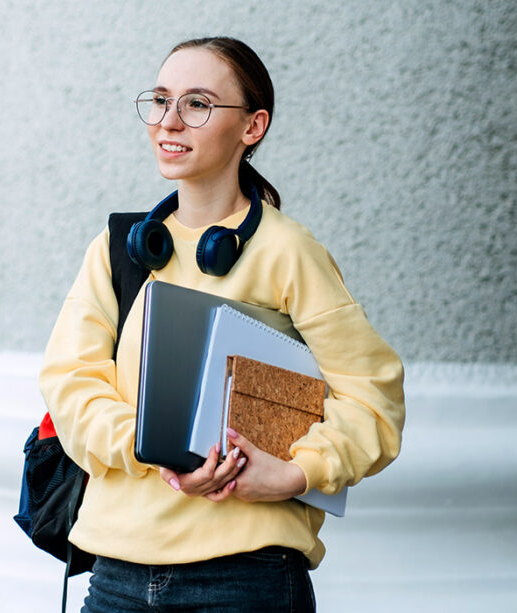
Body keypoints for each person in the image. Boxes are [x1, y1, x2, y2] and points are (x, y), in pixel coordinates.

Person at [39, 36, 405, 612]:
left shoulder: (287, 251)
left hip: (246, 579)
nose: (170, 122)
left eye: (198, 104)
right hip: (118, 575)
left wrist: (293, 474)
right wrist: (153, 449)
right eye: (160, 100)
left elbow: (373, 398)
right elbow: (69, 382)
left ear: (252, 127)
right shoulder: (117, 250)